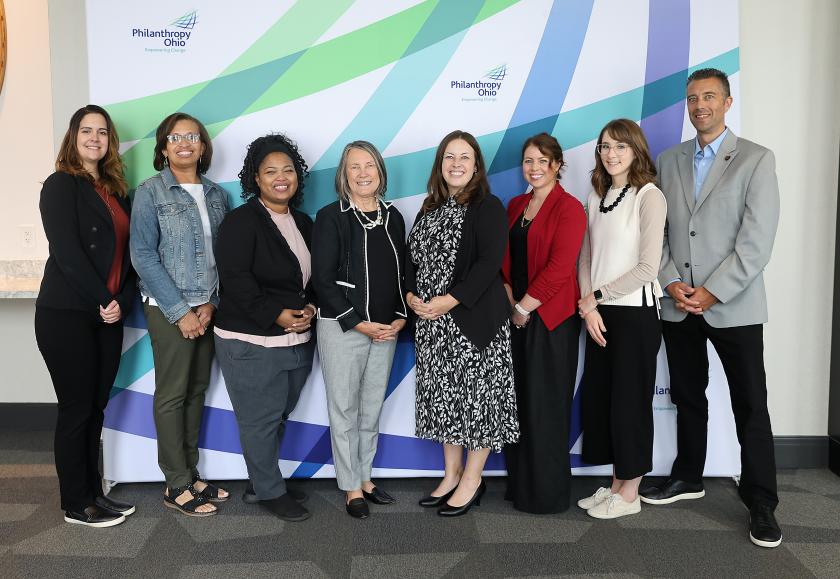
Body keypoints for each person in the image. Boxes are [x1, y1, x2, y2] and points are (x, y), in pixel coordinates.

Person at [640, 68, 782, 548]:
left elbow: (756, 242)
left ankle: (761, 501)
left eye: (709, 97)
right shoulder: (669, 158)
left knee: (750, 406)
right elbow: (656, 232)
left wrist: (714, 291)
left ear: (727, 102)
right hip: (679, 303)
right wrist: (672, 281)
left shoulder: (757, 160)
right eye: (692, 98)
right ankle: (688, 475)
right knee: (687, 395)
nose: (699, 105)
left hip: (734, 306)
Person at [406, 130, 519, 517]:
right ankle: (451, 473)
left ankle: (473, 478)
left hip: (473, 322)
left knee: (478, 403)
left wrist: (449, 301)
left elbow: (490, 263)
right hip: (432, 325)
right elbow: (411, 261)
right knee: (445, 403)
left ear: (476, 165)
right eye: (449, 157)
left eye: (464, 157)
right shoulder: (429, 207)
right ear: (441, 164)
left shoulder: (488, 206)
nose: (456, 164)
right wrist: (410, 296)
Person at [35, 104, 137, 527]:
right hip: (67, 312)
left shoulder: (116, 190)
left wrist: (120, 301)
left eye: (102, 132)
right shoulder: (61, 185)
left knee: (96, 408)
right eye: (86, 131)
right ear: (73, 138)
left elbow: (130, 257)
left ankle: (94, 492)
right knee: (76, 409)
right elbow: (68, 254)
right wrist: (103, 298)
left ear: (110, 141)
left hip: (107, 314)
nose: (95, 138)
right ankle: (75, 504)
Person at [130, 112, 230, 517]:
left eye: (192, 136)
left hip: (207, 308)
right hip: (169, 309)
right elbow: (143, 256)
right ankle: (175, 483)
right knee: (172, 395)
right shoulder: (150, 192)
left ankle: (191, 474)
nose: (184, 142)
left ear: (203, 146)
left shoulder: (217, 194)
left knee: (196, 391)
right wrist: (180, 311)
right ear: (164, 147)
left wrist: (210, 304)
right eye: (175, 137)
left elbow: (223, 256)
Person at [213, 134, 315, 523]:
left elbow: (314, 278)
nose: (281, 177)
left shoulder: (304, 222)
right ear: (256, 178)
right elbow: (236, 280)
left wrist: (310, 306)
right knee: (259, 420)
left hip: (296, 339)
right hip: (250, 341)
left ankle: (262, 479)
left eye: (288, 170)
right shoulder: (241, 222)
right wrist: (277, 314)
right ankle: (269, 490)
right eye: (270, 171)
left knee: (278, 414)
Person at [575, 119, 666, 519]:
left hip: (636, 315)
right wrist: (590, 305)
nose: (610, 154)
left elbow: (648, 267)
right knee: (606, 402)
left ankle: (630, 494)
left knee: (630, 404)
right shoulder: (596, 195)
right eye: (604, 146)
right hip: (599, 312)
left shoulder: (649, 195)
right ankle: (615, 485)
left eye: (620, 147)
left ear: (635, 151)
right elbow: (586, 258)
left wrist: (595, 296)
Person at [312, 141, 408, 519]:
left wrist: (401, 317)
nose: (363, 173)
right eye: (355, 167)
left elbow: (403, 273)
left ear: (380, 171)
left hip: (385, 329)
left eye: (370, 165)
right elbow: (322, 280)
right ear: (344, 175)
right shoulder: (330, 216)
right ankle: (351, 486)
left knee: (370, 408)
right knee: (345, 409)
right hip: (343, 327)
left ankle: (366, 477)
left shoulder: (394, 216)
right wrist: (358, 322)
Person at [500, 133, 585, 514]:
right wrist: (510, 302)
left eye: (542, 161)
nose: (535, 168)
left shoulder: (569, 208)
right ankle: (521, 486)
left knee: (546, 407)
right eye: (528, 161)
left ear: (557, 165)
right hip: (514, 315)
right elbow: (503, 261)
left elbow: (559, 269)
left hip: (549, 319)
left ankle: (546, 494)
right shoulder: (516, 204)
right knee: (519, 404)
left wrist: (524, 308)